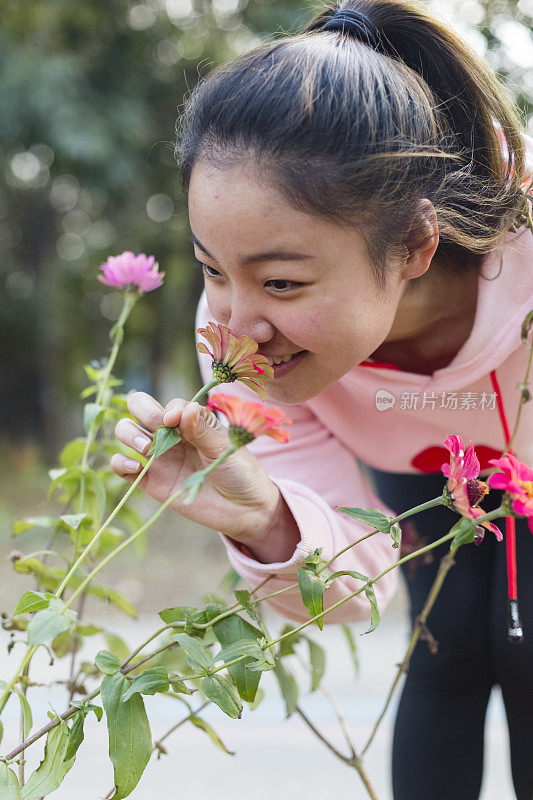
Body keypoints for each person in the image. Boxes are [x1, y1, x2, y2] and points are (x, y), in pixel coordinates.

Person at [111, 2, 533, 798]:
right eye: (211, 268)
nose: (235, 327)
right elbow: (359, 587)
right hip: (415, 463)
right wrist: (266, 517)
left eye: (281, 282)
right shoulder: (243, 338)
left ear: (414, 244)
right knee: (442, 646)